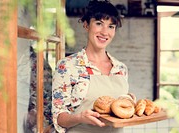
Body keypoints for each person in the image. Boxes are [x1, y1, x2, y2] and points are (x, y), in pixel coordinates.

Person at [52, 0, 129, 132]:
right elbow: (59, 117)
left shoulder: (121, 69)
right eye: (99, 24)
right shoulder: (67, 66)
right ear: (86, 25)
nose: (105, 32)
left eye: (111, 26)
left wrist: (128, 99)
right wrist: (80, 117)